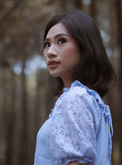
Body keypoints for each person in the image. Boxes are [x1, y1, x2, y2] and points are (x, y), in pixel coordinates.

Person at [34, 10, 116, 165]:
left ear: (85, 45)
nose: (50, 52)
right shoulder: (91, 99)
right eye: (47, 44)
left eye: (61, 41)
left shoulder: (75, 99)